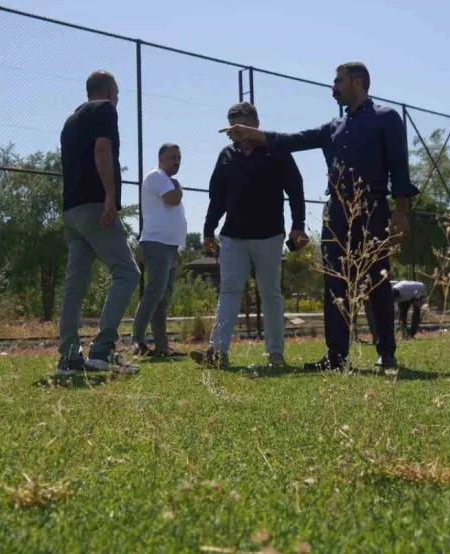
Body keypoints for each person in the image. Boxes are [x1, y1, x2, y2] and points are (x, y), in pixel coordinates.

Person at [222, 63, 417, 372]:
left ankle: (386, 353)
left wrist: (400, 211)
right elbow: (293, 139)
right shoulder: (334, 127)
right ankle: (336, 356)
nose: (333, 87)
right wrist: (253, 134)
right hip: (336, 212)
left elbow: (399, 167)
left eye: (338, 81)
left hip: (372, 210)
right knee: (335, 284)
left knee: (376, 279)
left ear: (357, 82)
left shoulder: (386, 118)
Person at [191, 102, 308, 369]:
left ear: (255, 124)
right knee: (229, 290)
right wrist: (209, 229)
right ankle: (217, 352)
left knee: (271, 294)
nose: (234, 131)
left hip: (269, 236)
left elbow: (296, 190)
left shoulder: (276, 150)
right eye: (230, 126)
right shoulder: (226, 155)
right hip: (233, 237)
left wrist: (298, 225)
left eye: (239, 125)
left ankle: (275, 356)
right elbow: (217, 197)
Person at [56, 71, 142, 376]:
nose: (117, 98)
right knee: (127, 273)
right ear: (107, 90)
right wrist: (110, 195)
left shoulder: (70, 120)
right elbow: (102, 149)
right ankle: (102, 351)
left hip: (72, 211)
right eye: (117, 92)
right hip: (95, 206)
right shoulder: (105, 109)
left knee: (75, 285)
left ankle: (69, 358)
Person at [132, 143, 187, 358]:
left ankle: (162, 346)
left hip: (170, 247)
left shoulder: (169, 182)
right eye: (173, 157)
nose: (176, 162)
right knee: (154, 293)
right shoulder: (157, 177)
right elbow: (173, 200)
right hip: (156, 243)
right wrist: (177, 186)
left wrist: (178, 248)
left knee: (163, 297)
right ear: (161, 157)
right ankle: (137, 341)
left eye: (179, 158)